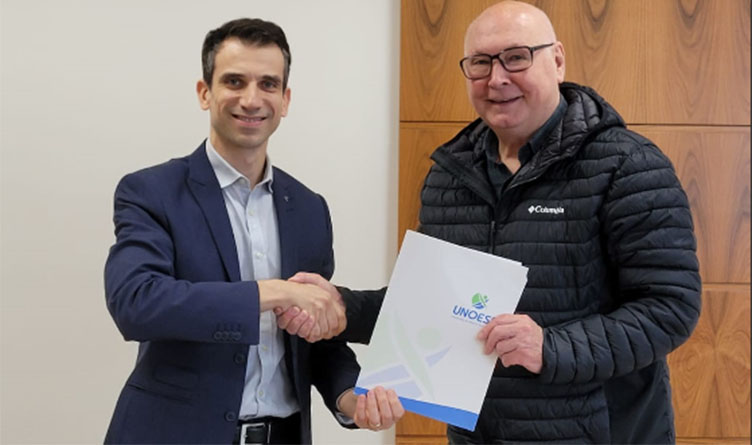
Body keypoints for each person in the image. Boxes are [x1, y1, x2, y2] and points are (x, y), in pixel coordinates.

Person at [282, 1, 701, 443]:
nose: (497, 78)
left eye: (516, 57)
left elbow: (670, 308)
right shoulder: (449, 176)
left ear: (557, 60)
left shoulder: (628, 165)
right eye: (480, 63)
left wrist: (550, 348)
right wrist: (343, 308)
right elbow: (431, 308)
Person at [104, 18, 402, 444]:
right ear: (204, 92)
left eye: (268, 84)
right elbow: (136, 303)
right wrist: (275, 292)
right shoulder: (152, 192)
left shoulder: (310, 209)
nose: (251, 99)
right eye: (234, 81)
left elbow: (313, 336)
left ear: (285, 99)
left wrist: (350, 397)